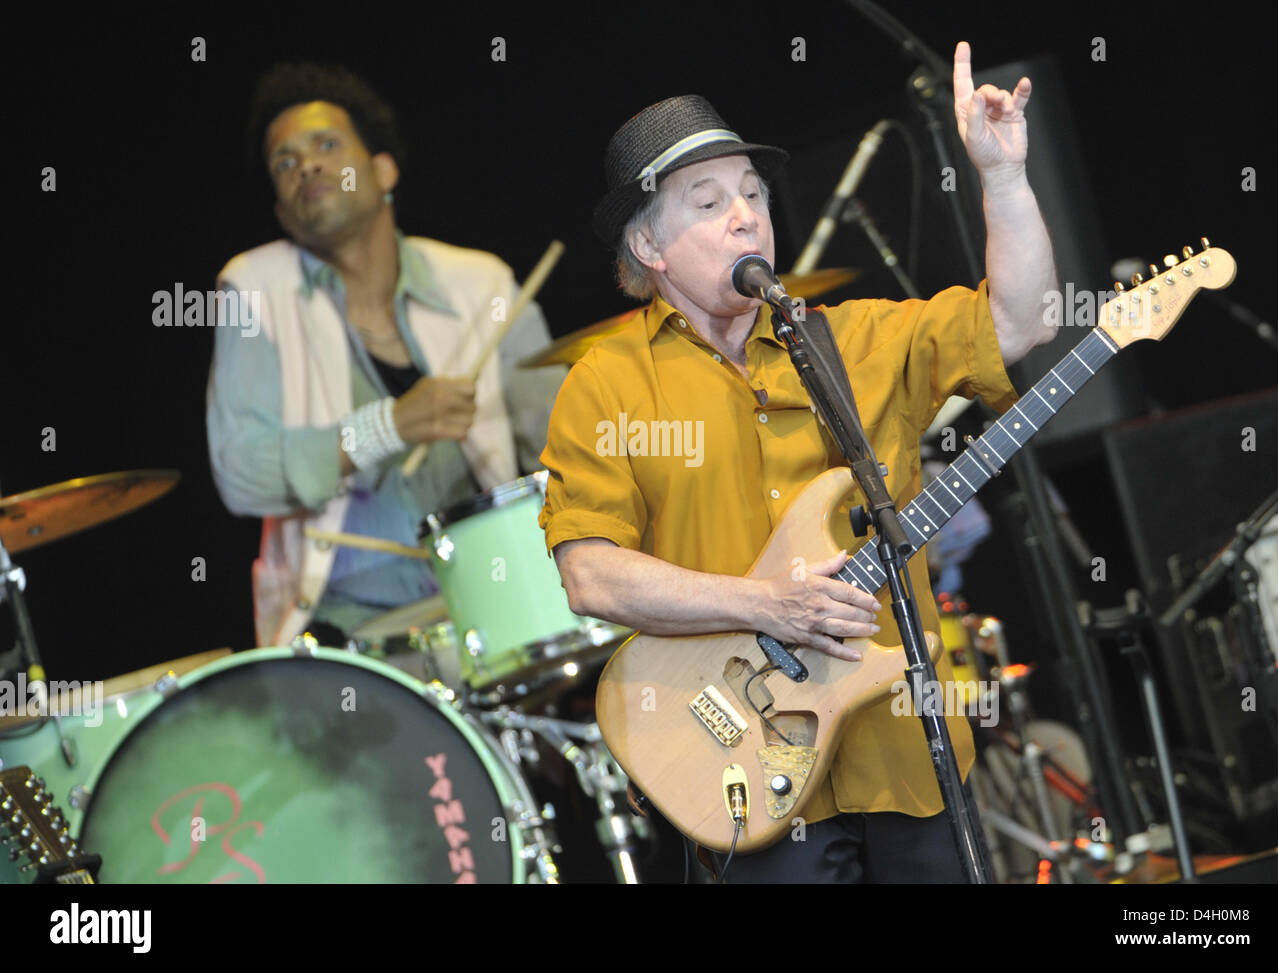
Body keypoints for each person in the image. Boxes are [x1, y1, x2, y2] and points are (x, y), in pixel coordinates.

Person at [539, 42, 1058, 883]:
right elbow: (592, 576)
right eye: (707, 202)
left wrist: (1002, 178)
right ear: (649, 245)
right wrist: (769, 604)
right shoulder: (606, 383)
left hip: (905, 756)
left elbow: (1023, 322)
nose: (746, 214)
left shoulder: (854, 340)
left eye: (753, 194)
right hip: (741, 774)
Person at [206, 63, 566, 648]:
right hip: (353, 630)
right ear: (280, 210)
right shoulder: (253, 288)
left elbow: (559, 447)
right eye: (285, 163)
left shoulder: (482, 281)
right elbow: (239, 472)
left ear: (384, 169)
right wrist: (389, 426)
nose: (308, 167)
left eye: (326, 145)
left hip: (503, 594)